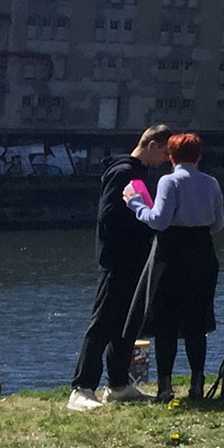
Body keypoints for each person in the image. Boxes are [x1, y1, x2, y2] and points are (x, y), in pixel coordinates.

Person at [68, 124, 172, 412]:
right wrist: (143, 225)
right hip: (118, 260)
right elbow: (109, 217)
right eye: (164, 151)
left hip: (135, 260)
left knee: (127, 323)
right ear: (150, 144)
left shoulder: (140, 173)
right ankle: (81, 388)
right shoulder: (123, 172)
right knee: (102, 322)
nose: (166, 158)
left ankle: (117, 385)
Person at [123, 132, 224, 403]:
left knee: (165, 321)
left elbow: (159, 220)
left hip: (171, 255)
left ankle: (165, 387)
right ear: (198, 156)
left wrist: (135, 204)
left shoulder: (169, 181)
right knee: (196, 321)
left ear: (171, 156)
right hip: (203, 253)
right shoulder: (211, 183)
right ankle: (197, 383)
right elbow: (218, 224)